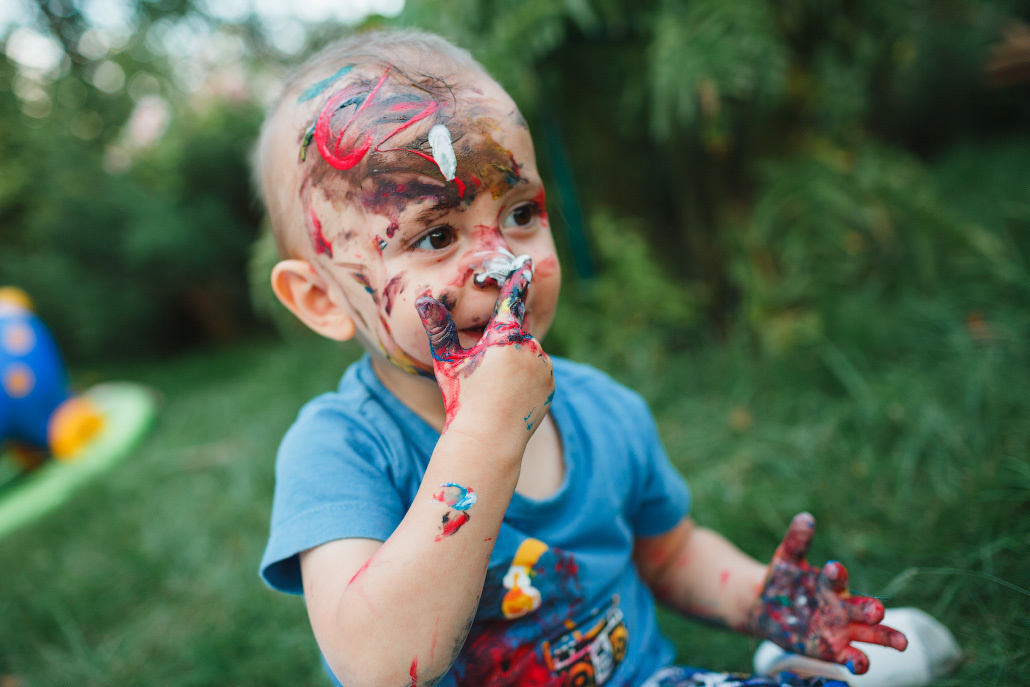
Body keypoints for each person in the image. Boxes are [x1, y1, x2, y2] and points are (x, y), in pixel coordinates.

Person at [254, 29, 908, 687]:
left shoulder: (601, 410)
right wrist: (486, 433)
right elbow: (380, 665)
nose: (501, 262)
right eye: (436, 234)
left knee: (881, 671)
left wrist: (760, 599)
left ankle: (797, 661)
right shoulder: (342, 452)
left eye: (519, 214)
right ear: (322, 300)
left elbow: (671, 552)